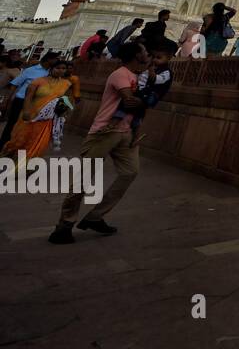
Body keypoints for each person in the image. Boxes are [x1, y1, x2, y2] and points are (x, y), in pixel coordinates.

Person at [49, 41, 151, 243]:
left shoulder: (139, 77)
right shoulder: (120, 74)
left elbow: (137, 101)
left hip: (126, 132)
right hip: (105, 131)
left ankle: (96, 216)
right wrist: (147, 100)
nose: (148, 54)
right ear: (135, 56)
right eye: (145, 51)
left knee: (130, 172)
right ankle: (64, 225)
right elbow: (130, 101)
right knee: (83, 179)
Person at [2, 57, 79, 161]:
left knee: (39, 143)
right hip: (31, 116)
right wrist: (26, 111)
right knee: (20, 140)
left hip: (48, 119)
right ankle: (9, 158)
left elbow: (66, 99)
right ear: (51, 69)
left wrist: (64, 111)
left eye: (63, 68)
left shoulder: (66, 84)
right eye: (58, 68)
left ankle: (25, 166)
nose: (61, 70)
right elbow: (28, 97)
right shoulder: (38, 81)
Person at [117, 43, 175, 145]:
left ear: (169, 58)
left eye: (159, 57)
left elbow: (157, 80)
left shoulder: (166, 72)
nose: (155, 60)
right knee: (131, 113)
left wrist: (151, 71)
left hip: (149, 96)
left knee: (136, 116)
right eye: (154, 57)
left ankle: (133, 137)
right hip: (140, 93)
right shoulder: (150, 67)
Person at [3, 51, 59, 145]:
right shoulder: (31, 70)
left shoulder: (52, 73)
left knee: (27, 126)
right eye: (56, 58)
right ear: (49, 59)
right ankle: (3, 144)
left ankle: (16, 146)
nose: (58, 60)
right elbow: (15, 84)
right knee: (12, 124)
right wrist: (7, 99)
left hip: (37, 103)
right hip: (21, 100)